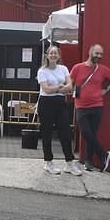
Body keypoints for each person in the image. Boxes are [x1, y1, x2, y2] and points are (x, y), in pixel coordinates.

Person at [70, 43, 110, 171]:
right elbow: (70, 83)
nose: (99, 56)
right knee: (86, 133)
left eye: (101, 54)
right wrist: (70, 91)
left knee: (91, 134)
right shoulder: (77, 68)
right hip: (81, 106)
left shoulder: (103, 69)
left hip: (97, 106)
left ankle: (88, 161)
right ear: (90, 52)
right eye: (97, 53)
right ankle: (104, 154)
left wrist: (106, 89)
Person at [36, 44, 82, 176]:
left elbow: (70, 86)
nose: (53, 55)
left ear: (59, 56)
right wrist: (60, 87)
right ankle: (48, 162)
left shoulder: (63, 68)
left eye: (56, 53)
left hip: (61, 102)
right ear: (47, 55)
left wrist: (57, 88)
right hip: (46, 103)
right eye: (51, 53)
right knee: (47, 133)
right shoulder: (42, 71)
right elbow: (46, 89)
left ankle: (69, 163)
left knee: (65, 133)